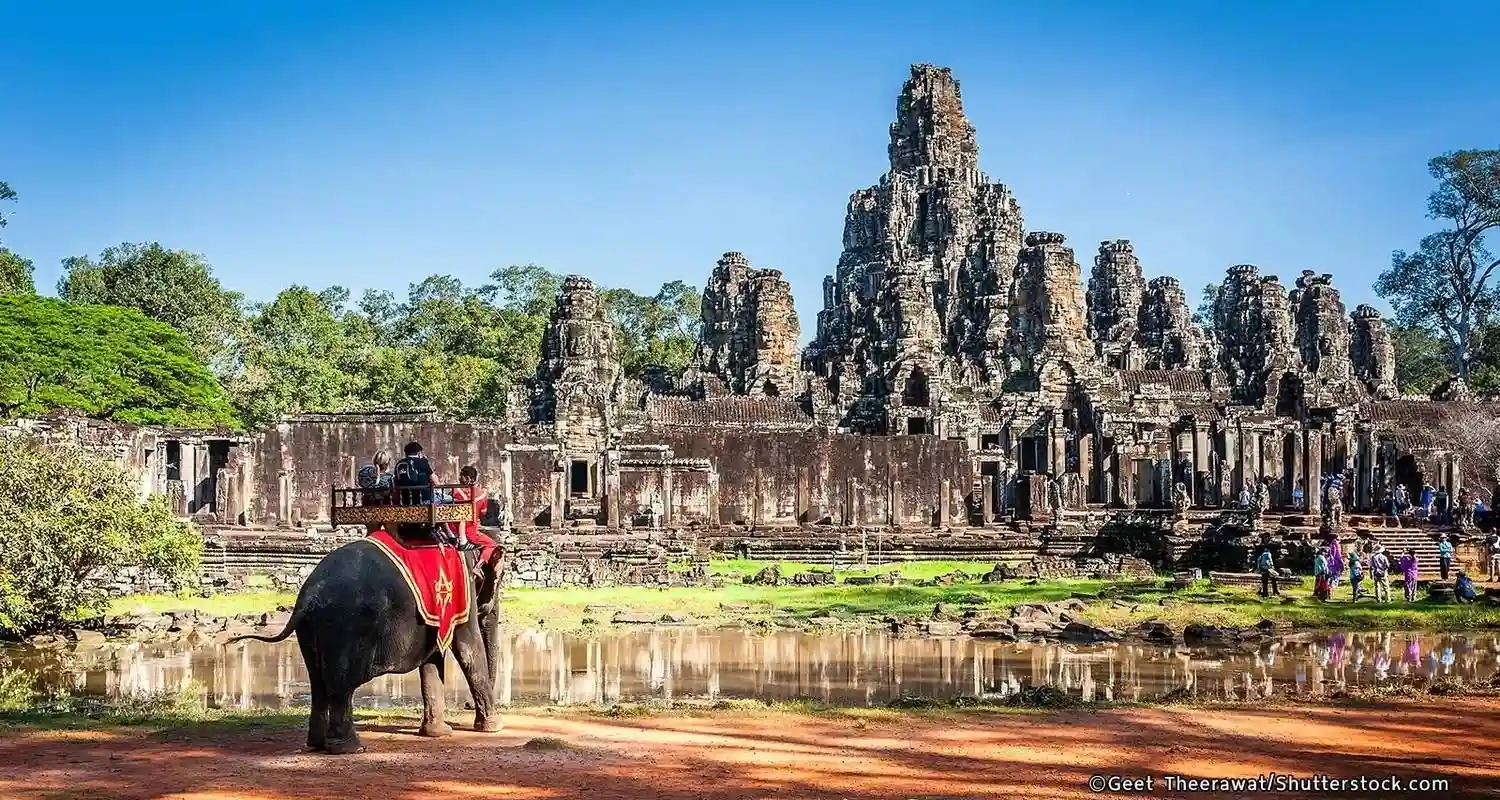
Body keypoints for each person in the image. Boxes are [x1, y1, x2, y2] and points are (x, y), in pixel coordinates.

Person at [451, 465, 500, 566]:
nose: (459, 478)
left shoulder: (454, 491)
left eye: (461, 475)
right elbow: (483, 512)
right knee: (492, 544)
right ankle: (479, 564)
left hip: (454, 529)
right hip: (471, 532)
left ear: (467, 478)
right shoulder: (482, 493)